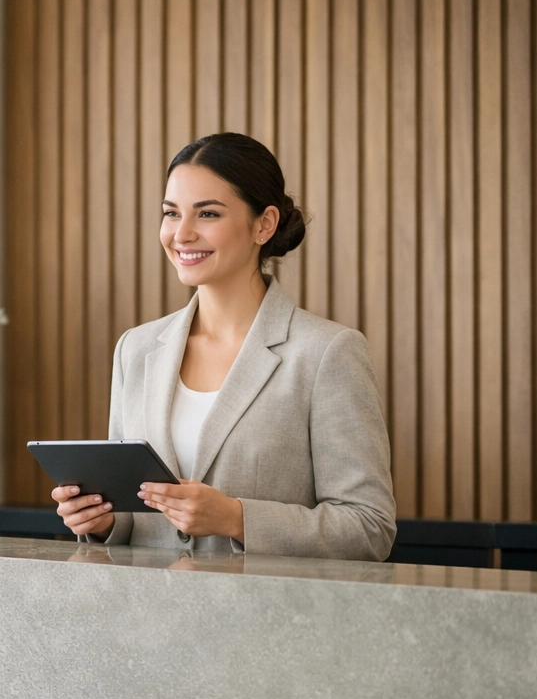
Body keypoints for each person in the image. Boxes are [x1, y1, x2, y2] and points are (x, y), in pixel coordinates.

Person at [53, 132, 396, 561]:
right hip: (146, 619)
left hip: (263, 620)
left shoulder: (327, 353)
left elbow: (369, 528)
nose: (182, 233)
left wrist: (236, 517)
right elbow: (134, 517)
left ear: (264, 224)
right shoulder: (136, 350)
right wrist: (103, 522)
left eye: (208, 214)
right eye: (171, 213)